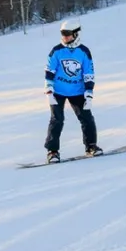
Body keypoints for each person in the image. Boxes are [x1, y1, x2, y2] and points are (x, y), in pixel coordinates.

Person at [44, 18, 100, 162]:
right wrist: (49, 91)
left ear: (76, 34)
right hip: (58, 91)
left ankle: (91, 146)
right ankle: (52, 151)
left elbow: (88, 73)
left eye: (68, 33)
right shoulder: (57, 51)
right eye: (62, 33)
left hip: (77, 91)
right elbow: (49, 72)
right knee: (57, 119)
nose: (64, 37)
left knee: (86, 117)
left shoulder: (84, 52)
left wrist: (89, 93)